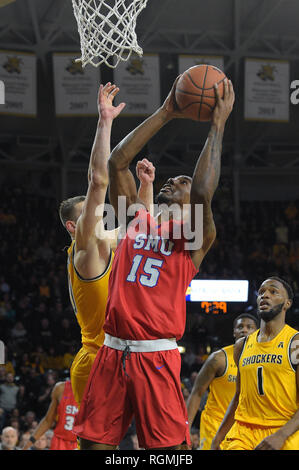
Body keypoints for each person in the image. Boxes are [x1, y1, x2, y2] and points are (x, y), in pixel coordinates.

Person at [73, 77, 235, 450]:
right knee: (92, 446)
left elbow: (203, 192)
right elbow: (117, 162)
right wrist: (165, 112)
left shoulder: (193, 236)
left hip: (155, 356)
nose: (173, 180)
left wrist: (218, 124)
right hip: (111, 351)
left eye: (182, 181)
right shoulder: (136, 219)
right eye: (173, 178)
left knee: (167, 453)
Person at [59, 83, 154, 406]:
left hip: (125, 357)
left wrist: (146, 187)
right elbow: (98, 180)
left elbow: (139, 231)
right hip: (97, 360)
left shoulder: (105, 242)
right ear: (74, 226)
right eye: (88, 210)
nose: (96, 210)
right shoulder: (86, 248)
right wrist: (105, 121)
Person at [211, 276, 299, 450]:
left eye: (273, 291)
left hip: (284, 429)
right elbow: (238, 396)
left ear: (287, 304)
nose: (264, 295)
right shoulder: (241, 345)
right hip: (243, 432)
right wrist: (217, 439)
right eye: (261, 292)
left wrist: (280, 435)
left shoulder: (295, 343)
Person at [187, 313, 258, 450]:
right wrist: (185, 430)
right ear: (234, 332)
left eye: (249, 327)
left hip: (245, 428)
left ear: (258, 332)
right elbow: (197, 392)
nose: (244, 330)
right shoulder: (218, 359)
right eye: (240, 327)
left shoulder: (264, 360)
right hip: (215, 425)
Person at [22, 380, 78, 451]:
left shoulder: (94, 392)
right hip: (60, 441)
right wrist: (27, 445)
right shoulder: (61, 388)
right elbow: (48, 421)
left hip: (82, 443)